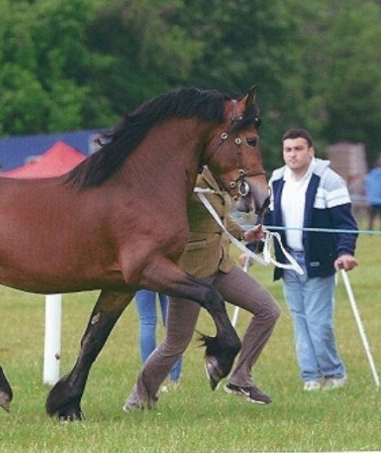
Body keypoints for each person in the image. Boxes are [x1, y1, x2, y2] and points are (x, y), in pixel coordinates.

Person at [124, 167, 280, 410]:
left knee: (268, 310)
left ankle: (240, 379)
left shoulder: (219, 176)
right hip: (190, 275)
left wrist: (245, 234)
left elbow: (218, 215)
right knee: (175, 343)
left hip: (220, 266)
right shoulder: (188, 179)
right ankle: (138, 398)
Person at [267, 128, 358, 391]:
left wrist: (345, 251)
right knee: (300, 321)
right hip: (288, 262)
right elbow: (269, 221)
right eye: (288, 150)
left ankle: (334, 373)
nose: (292, 154)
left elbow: (345, 223)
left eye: (298, 149)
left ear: (311, 151)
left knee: (318, 322)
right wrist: (253, 245)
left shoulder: (329, 180)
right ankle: (310, 377)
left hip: (319, 260)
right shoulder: (277, 179)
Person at [133, 290, 183, 390]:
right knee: (172, 320)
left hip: (142, 277)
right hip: (168, 275)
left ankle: (148, 380)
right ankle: (174, 379)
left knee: (147, 321)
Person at [364, 160, 381, 230]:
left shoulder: (369, 176)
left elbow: (366, 187)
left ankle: (370, 232)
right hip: (379, 200)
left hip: (372, 200)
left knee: (371, 218)